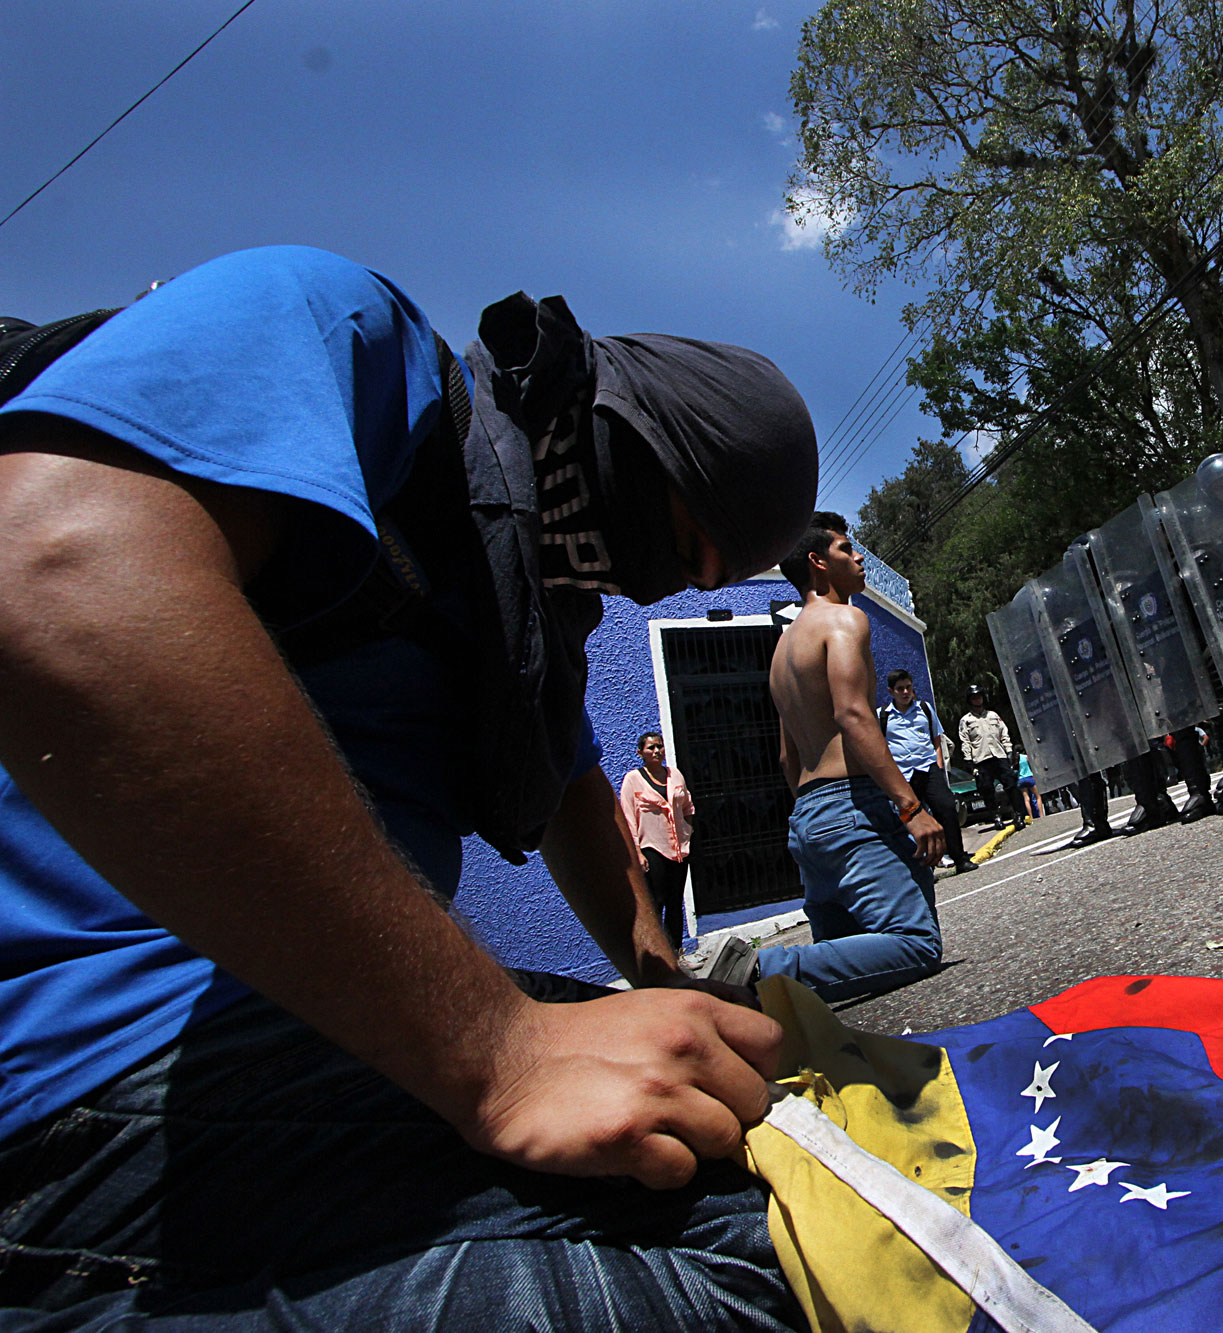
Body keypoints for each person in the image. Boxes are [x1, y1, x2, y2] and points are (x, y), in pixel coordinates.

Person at [0, 246, 818, 1327]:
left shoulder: (519, 616)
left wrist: (658, 979)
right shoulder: (342, 331)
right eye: (671, 538)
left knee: (796, 1160)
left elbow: (574, 792)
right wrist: (497, 1051)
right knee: (767, 1269)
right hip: (97, 1080)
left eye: (690, 580)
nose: (648, 582)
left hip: (313, 1043)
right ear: (600, 410)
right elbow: (52, 567)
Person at [757, 526, 946, 1002]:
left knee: (845, 970)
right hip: (852, 808)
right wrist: (909, 807)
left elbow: (787, 755)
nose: (859, 557)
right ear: (819, 563)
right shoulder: (844, 619)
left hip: (809, 820)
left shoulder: (782, 650)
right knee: (915, 945)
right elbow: (853, 713)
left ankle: (770, 991)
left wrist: (816, 815)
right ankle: (762, 971)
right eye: (846, 548)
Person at [878, 668, 973, 873]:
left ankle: (959, 857)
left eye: (908, 687)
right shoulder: (883, 716)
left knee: (947, 808)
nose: (905, 692)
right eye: (900, 689)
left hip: (927, 769)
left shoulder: (924, 709)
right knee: (909, 819)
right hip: (903, 775)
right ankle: (922, 868)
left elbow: (937, 738)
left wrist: (938, 765)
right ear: (891, 691)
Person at [620, 731, 696, 948]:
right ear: (640, 753)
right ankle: (657, 953)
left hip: (679, 848)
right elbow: (628, 817)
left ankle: (676, 952)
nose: (656, 751)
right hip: (651, 847)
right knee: (656, 901)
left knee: (675, 902)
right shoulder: (633, 780)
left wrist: (688, 828)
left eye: (659, 747)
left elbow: (687, 805)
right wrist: (637, 852)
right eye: (651, 748)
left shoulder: (675, 775)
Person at [958, 684, 1025, 830]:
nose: (977, 700)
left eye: (979, 696)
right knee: (987, 789)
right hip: (981, 758)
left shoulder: (993, 716)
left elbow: (1004, 734)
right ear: (970, 700)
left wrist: (1009, 751)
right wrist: (968, 760)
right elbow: (965, 741)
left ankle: (1019, 814)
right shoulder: (966, 720)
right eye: (974, 697)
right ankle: (996, 817)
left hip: (998, 755)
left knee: (1011, 784)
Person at [1017, 749, 1043, 818]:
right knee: (1038, 796)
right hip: (1029, 777)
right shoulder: (1026, 757)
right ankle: (1041, 815)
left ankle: (1030, 816)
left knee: (1026, 799)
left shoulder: (1016, 759)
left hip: (1021, 779)